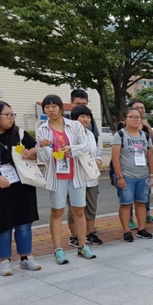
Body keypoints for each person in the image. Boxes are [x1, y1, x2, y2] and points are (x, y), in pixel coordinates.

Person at [36, 94, 96, 263]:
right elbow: (43, 158)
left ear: (61, 108)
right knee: (57, 212)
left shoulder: (75, 125)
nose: (51, 109)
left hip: (76, 173)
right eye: (47, 107)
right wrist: (44, 147)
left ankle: (82, 246)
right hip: (56, 176)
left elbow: (86, 146)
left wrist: (71, 149)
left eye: (54, 106)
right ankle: (58, 249)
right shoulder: (42, 129)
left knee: (79, 210)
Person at [0, 101, 41, 275]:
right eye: (7, 115)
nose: (11, 118)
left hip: (22, 185)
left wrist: (32, 152)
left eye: (13, 114)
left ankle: (26, 257)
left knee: (24, 223)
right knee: (2, 224)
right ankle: (4, 260)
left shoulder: (19, 133)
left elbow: (34, 147)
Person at [111, 108, 153, 242]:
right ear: (125, 119)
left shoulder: (145, 136)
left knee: (142, 202)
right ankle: (126, 231)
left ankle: (141, 229)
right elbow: (115, 158)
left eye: (138, 117)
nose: (136, 120)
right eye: (132, 117)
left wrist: (152, 175)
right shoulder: (120, 135)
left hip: (143, 175)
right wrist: (119, 176)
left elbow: (150, 157)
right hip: (126, 176)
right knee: (126, 204)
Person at [67, 106, 103, 247]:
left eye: (88, 117)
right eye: (82, 116)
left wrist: (98, 160)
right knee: (75, 209)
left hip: (91, 177)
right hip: (75, 177)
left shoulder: (91, 135)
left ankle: (89, 233)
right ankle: (75, 236)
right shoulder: (69, 135)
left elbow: (97, 151)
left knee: (91, 207)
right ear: (74, 119)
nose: (85, 119)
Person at [129, 99, 153, 225]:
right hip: (129, 167)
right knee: (129, 195)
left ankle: (146, 215)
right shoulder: (124, 126)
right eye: (137, 108)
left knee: (145, 192)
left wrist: (148, 127)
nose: (141, 110)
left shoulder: (146, 127)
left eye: (142, 108)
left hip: (145, 165)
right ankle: (129, 219)